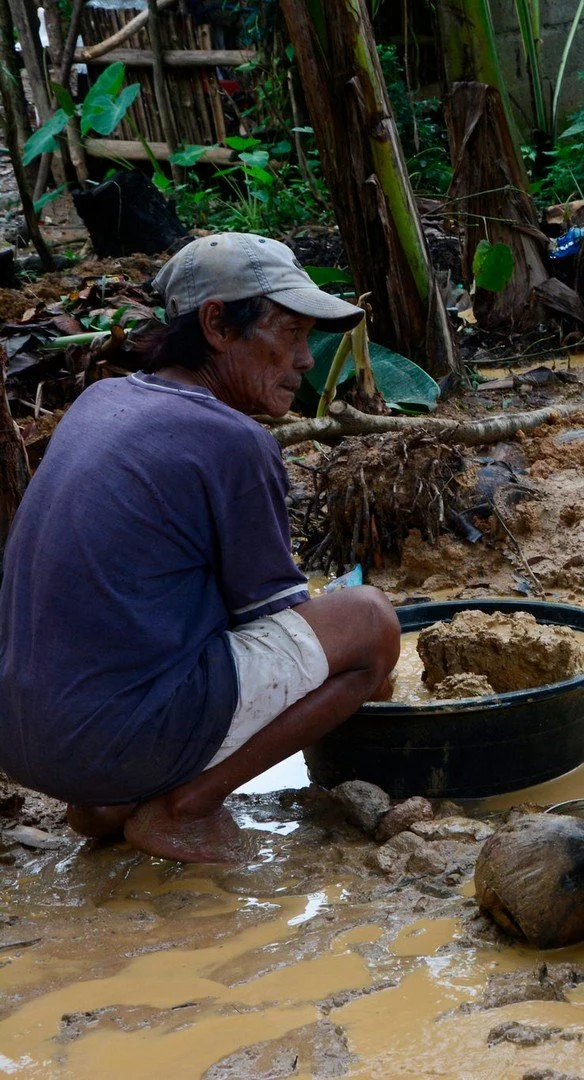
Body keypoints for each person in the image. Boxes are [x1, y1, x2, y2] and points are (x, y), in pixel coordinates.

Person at [0, 233, 401, 864]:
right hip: (107, 735)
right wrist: (366, 675)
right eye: (290, 333)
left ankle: (104, 806)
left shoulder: (101, 400)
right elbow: (269, 621)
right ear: (217, 324)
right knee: (368, 622)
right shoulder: (233, 440)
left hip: (26, 740)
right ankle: (186, 809)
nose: (303, 360)